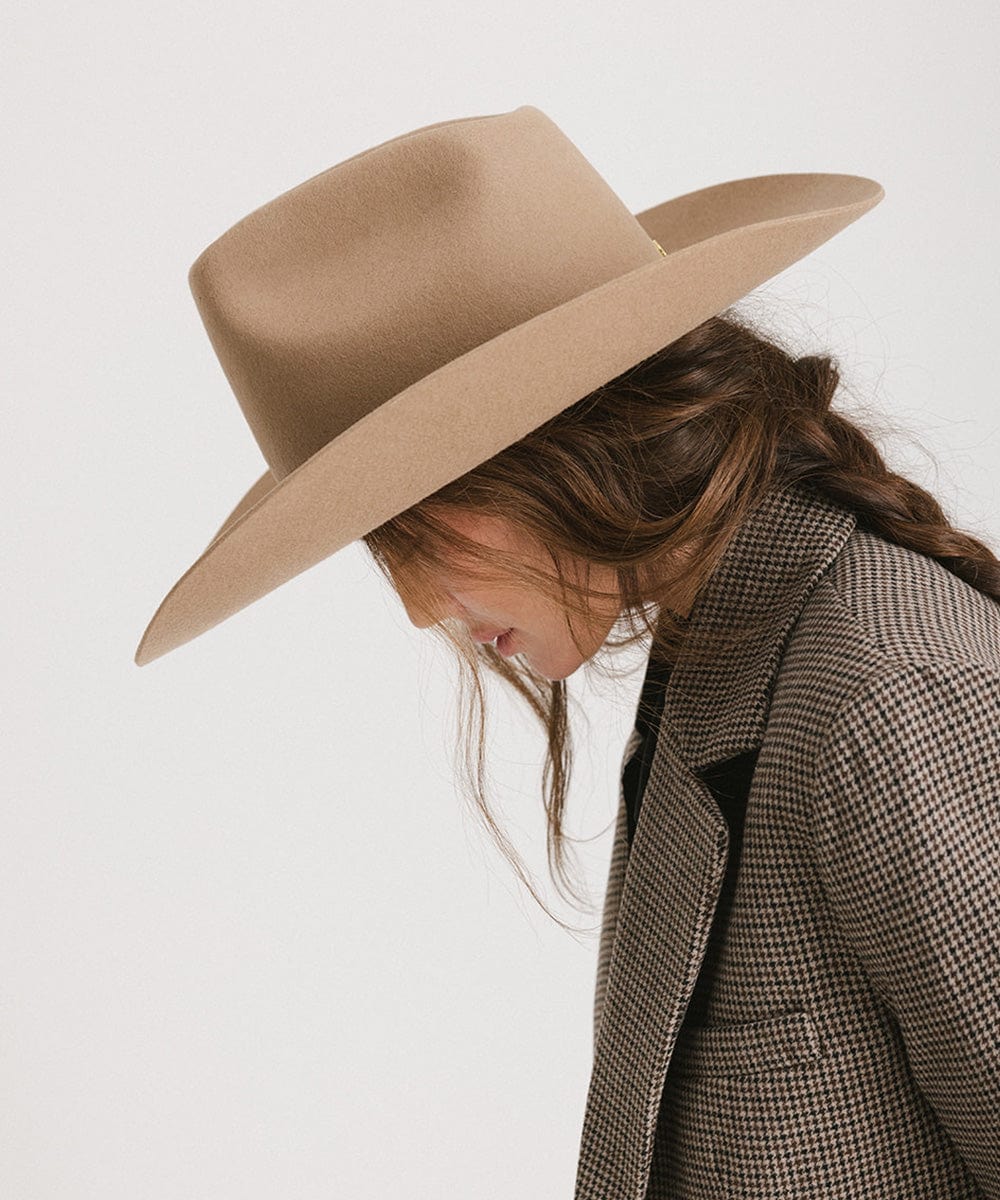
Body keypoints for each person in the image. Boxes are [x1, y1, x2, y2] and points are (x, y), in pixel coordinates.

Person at [135, 105, 1000, 1197]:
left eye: (415, 526)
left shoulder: (885, 695)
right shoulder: (730, 654)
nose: (412, 605)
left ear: (564, 449)